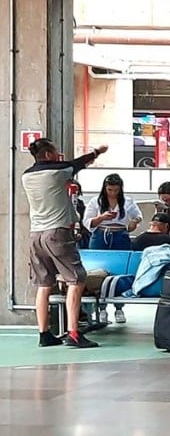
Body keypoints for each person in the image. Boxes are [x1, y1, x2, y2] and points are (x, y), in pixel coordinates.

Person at [24, 139, 108, 348]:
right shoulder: (58, 171)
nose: (58, 155)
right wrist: (97, 151)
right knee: (76, 280)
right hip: (57, 233)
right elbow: (79, 163)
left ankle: (44, 334)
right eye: (54, 152)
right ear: (47, 155)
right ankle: (74, 333)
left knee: (44, 285)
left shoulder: (26, 175)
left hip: (36, 234)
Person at [82, 173, 143, 250]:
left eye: (116, 190)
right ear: (105, 188)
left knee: (121, 259)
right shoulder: (95, 201)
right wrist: (101, 218)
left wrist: (134, 221)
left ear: (120, 189)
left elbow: (139, 216)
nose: (113, 193)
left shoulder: (128, 201)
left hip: (121, 235)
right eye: (110, 190)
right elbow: (86, 221)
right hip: (100, 235)